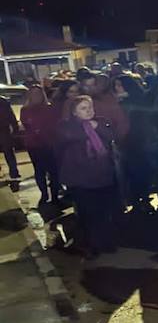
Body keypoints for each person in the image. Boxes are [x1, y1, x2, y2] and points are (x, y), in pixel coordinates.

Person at [55, 94, 121, 255]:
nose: (89, 111)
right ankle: (89, 245)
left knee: (104, 211)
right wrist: (88, 127)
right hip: (81, 178)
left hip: (103, 175)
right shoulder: (67, 126)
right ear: (74, 112)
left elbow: (112, 135)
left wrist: (96, 126)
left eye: (90, 107)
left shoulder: (102, 121)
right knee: (87, 213)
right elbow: (68, 137)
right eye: (83, 108)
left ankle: (105, 242)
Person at [20, 85, 60, 203]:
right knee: (39, 170)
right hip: (34, 145)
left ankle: (55, 195)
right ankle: (44, 194)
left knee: (53, 171)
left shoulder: (49, 108)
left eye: (38, 93)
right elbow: (26, 124)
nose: (35, 96)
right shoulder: (25, 110)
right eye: (33, 94)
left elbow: (55, 124)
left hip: (49, 143)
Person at [0, 95, 19, 186]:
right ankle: (14, 171)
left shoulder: (3, 101)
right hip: (4, 129)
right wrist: (15, 128)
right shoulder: (3, 101)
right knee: (9, 152)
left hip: (4, 129)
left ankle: (14, 171)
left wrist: (15, 128)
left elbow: (11, 115)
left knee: (9, 151)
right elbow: (11, 116)